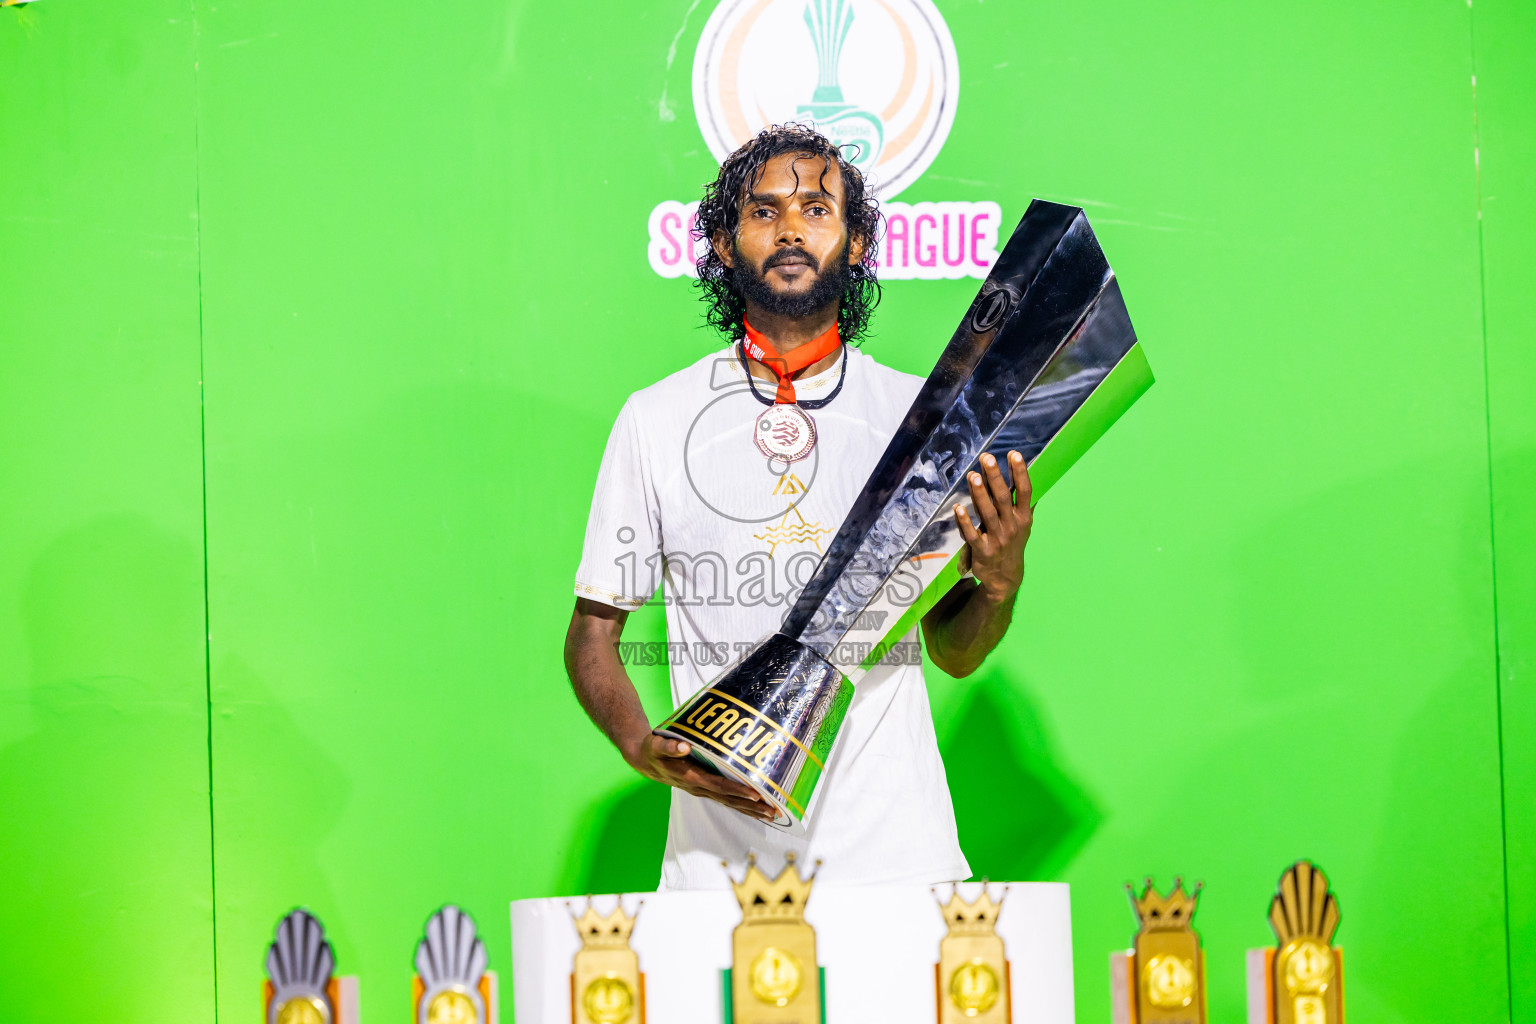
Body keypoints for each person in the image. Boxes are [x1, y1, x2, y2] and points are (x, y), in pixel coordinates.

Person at [565, 124, 1033, 890]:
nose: (790, 227)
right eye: (763, 210)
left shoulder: (922, 415)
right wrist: (638, 745)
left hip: (896, 860)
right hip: (719, 870)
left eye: (816, 209)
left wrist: (1000, 582)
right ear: (723, 243)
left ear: (854, 245)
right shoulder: (655, 418)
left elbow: (954, 651)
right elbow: (592, 636)